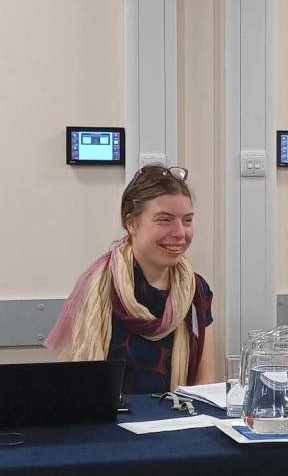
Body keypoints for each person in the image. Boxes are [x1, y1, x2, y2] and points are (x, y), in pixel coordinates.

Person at [45, 164, 215, 394]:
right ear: (131, 223)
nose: (180, 233)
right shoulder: (99, 287)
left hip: (179, 421)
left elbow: (206, 385)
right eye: (164, 219)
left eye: (187, 220)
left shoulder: (196, 290)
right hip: (110, 425)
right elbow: (79, 386)